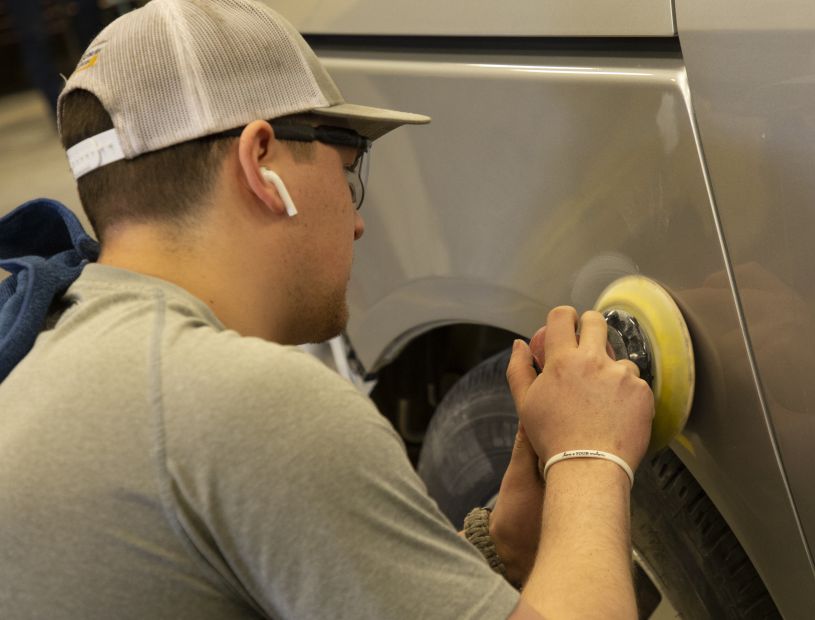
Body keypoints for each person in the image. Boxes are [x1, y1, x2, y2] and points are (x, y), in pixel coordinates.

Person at [0, 1, 654, 618]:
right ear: (261, 163)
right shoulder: (242, 403)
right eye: (348, 169)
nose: (359, 220)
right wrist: (589, 456)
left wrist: (495, 552)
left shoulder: (61, 353)